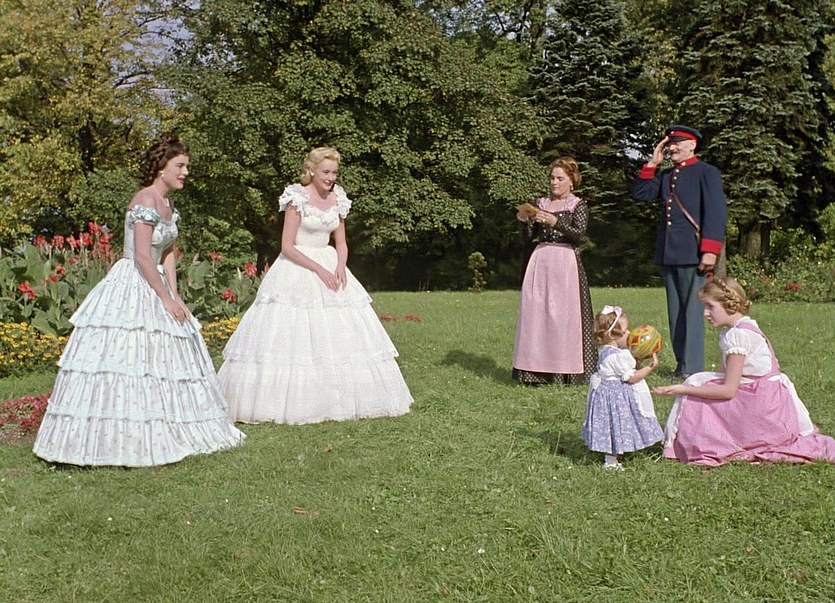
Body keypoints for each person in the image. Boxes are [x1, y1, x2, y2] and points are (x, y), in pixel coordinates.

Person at [33, 135, 246, 467]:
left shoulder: (168, 204)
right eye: (180, 166)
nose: (185, 172)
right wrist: (163, 298)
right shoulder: (144, 200)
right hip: (134, 282)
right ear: (162, 167)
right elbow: (143, 256)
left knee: (165, 359)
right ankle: (118, 439)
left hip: (156, 280)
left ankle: (169, 424)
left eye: (186, 166)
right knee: (130, 359)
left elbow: (168, 253)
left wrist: (176, 296)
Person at [217, 147, 413, 424]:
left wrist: (340, 266)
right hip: (298, 266)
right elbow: (287, 246)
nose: (330, 178)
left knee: (341, 334)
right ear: (311, 171)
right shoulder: (296, 198)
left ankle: (337, 397)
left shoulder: (338, 199)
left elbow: (341, 242)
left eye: (334, 173)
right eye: (325, 172)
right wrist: (319, 269)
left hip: (330, 263)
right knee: (293, 335)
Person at [653, 277, 835, 467]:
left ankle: (703, 446)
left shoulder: (739, 335)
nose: (705, 313)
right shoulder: (744, 328)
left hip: (765, 408)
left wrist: (683, 389)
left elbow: (728, 390)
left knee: (694, 385)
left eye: (710, 307)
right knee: (700, 380)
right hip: (771, 400)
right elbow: (724, 376)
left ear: (729, 305)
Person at [632, 125, 728, 378]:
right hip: (669, 253)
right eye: (669, 144)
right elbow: (641, 194)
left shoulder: (706, 172)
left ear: (692, 145)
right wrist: (653, 163)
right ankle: (681, 365)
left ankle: (692, 368)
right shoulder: (666, 175)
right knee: (676, 313)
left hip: (693, 253)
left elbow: (716, 212)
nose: (672, 147)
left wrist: (710, 251)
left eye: (677, 143)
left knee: (693, 312)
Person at [512, 156, 595, 386]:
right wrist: (524, 222)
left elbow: (579, 235)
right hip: (541, 260)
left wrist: (555, 222)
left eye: (559, 178)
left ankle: (564, 372)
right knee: (537, 315)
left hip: (565, 262)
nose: (554, 182)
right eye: (552, 178)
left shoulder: (577, 205)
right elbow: (527, 239)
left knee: (563, 316)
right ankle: (535, 372)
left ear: (572, 180)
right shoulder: (541, 203)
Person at [581, 305, 663, 470]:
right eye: (625, 331)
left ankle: (617, 453)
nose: (629, 334)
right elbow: (632, 378)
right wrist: (650, 366)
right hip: (615, 399)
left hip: (607, 396)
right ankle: (611, 461)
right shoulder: (617, 357)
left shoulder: (606, 350)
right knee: (617, 424)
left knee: (614, 425)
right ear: (612, 335)